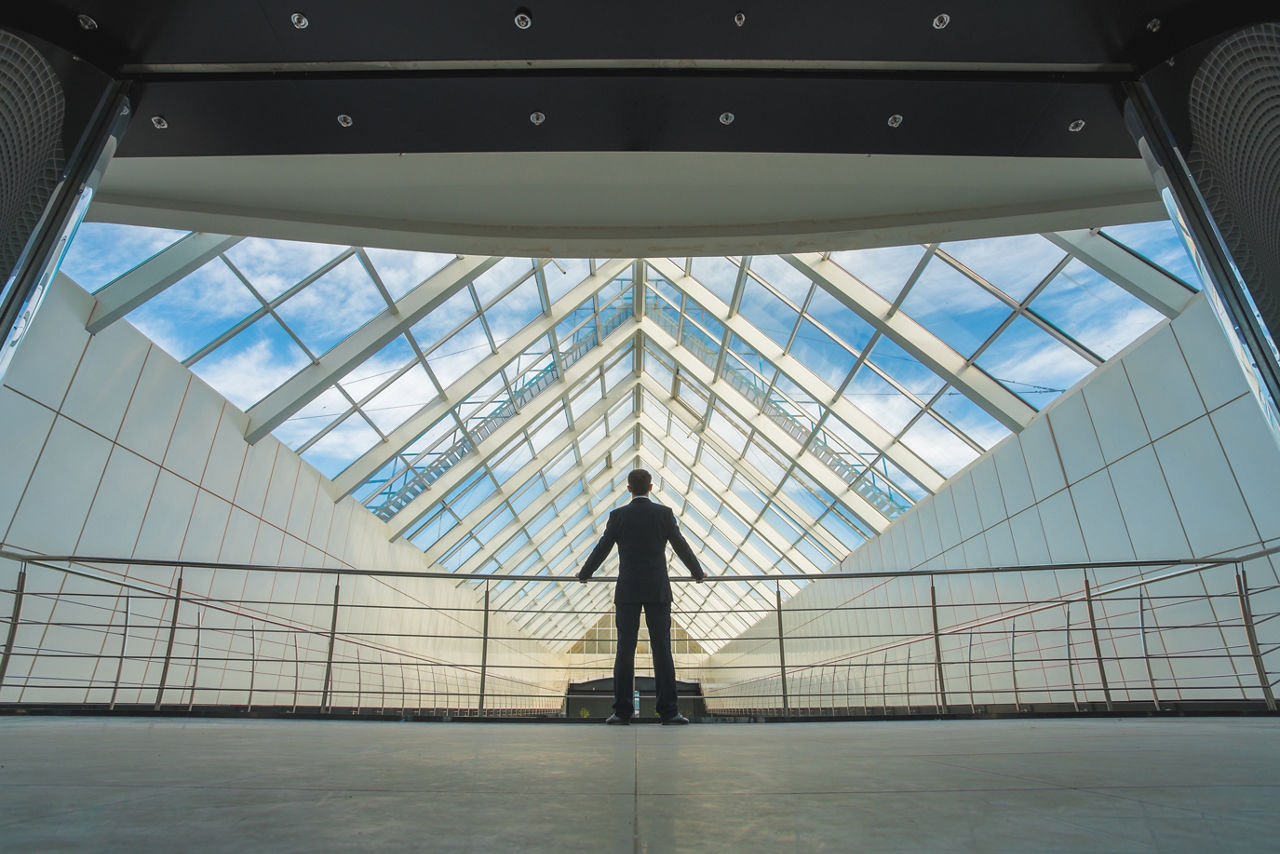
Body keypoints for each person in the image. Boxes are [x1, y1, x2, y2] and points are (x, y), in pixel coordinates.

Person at [577, 468, 705, 725]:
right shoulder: (663, 514)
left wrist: (584, 573)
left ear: (628, 489)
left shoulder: (618, 516)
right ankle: (669, 712)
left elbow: (602, 548)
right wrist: (697, 572)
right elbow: (681, 546)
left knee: (625, 649)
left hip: (628, 591)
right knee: (662, 649)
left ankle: (622, 712)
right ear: (650, 487)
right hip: (658, 590)